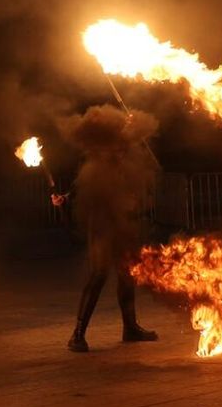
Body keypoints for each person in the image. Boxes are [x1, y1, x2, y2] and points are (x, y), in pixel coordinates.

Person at [63, 105, 160, 353]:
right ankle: (78, 334)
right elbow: (84, 186)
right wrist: (67, 197)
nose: (122, 145)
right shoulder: (97, 159)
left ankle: (130, 328)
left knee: (127, 273)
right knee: (99, 274)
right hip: (102, 223)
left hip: (123, 220)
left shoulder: (123, 155)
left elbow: (137, 174)